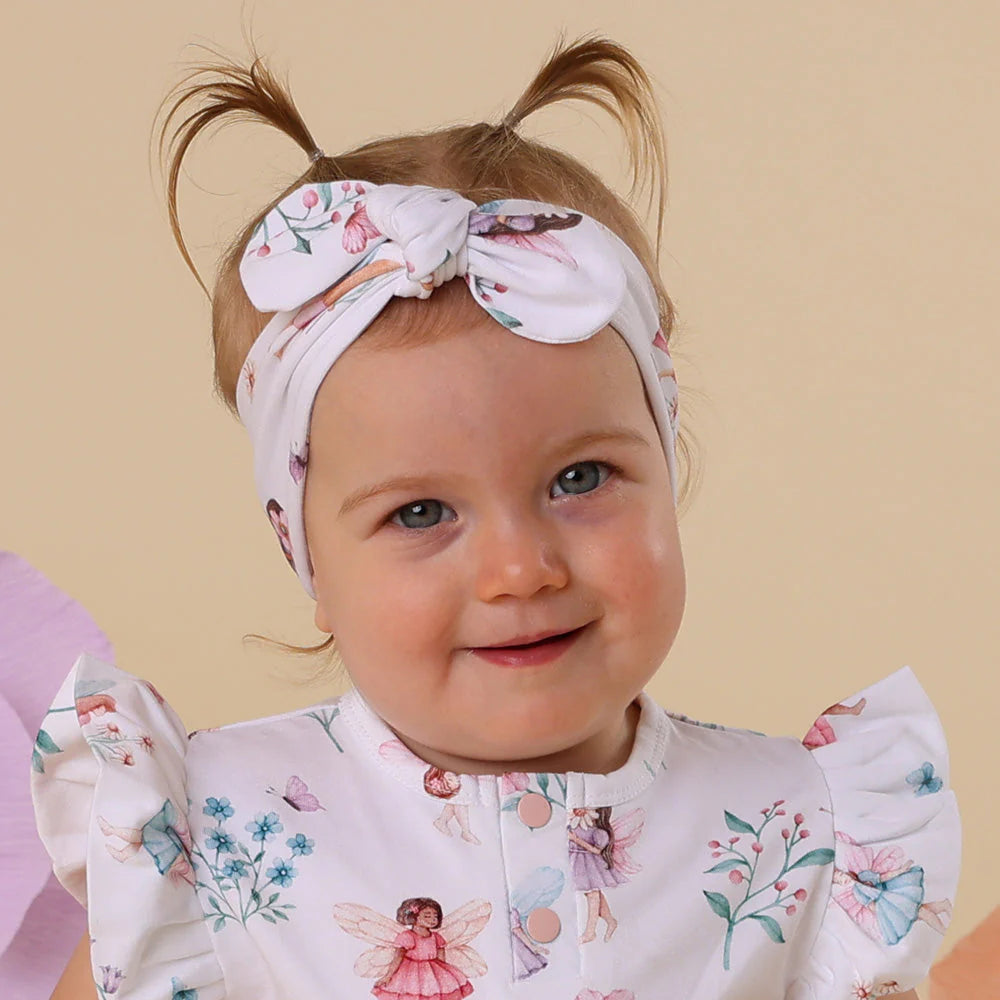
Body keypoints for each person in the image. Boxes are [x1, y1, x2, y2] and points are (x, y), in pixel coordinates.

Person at [31, 32, 959, 1000]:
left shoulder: (809, 833)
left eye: (581, 478)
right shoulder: (208, 842)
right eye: (421, 512)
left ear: (666, 465)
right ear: (308, 557)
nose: (520, 569)